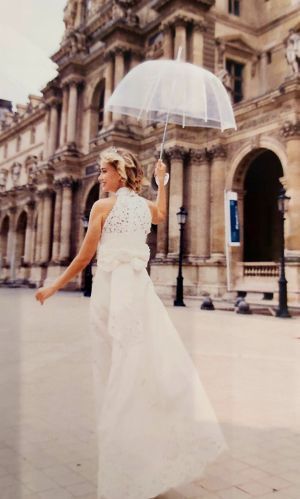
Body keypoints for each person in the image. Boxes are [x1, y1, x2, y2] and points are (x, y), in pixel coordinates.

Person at [35, 147, 228, 499]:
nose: (100, 178)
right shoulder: (144, 207)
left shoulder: (102, 207)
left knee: (116, 375)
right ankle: (146, 458)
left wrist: (54, 286)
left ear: (121, 173)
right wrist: (162, 183)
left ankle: (126, 465)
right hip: (139, 292)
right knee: (141, 369)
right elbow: (163, 213)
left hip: (113, 293)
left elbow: (84, 257)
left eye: (104, 172)